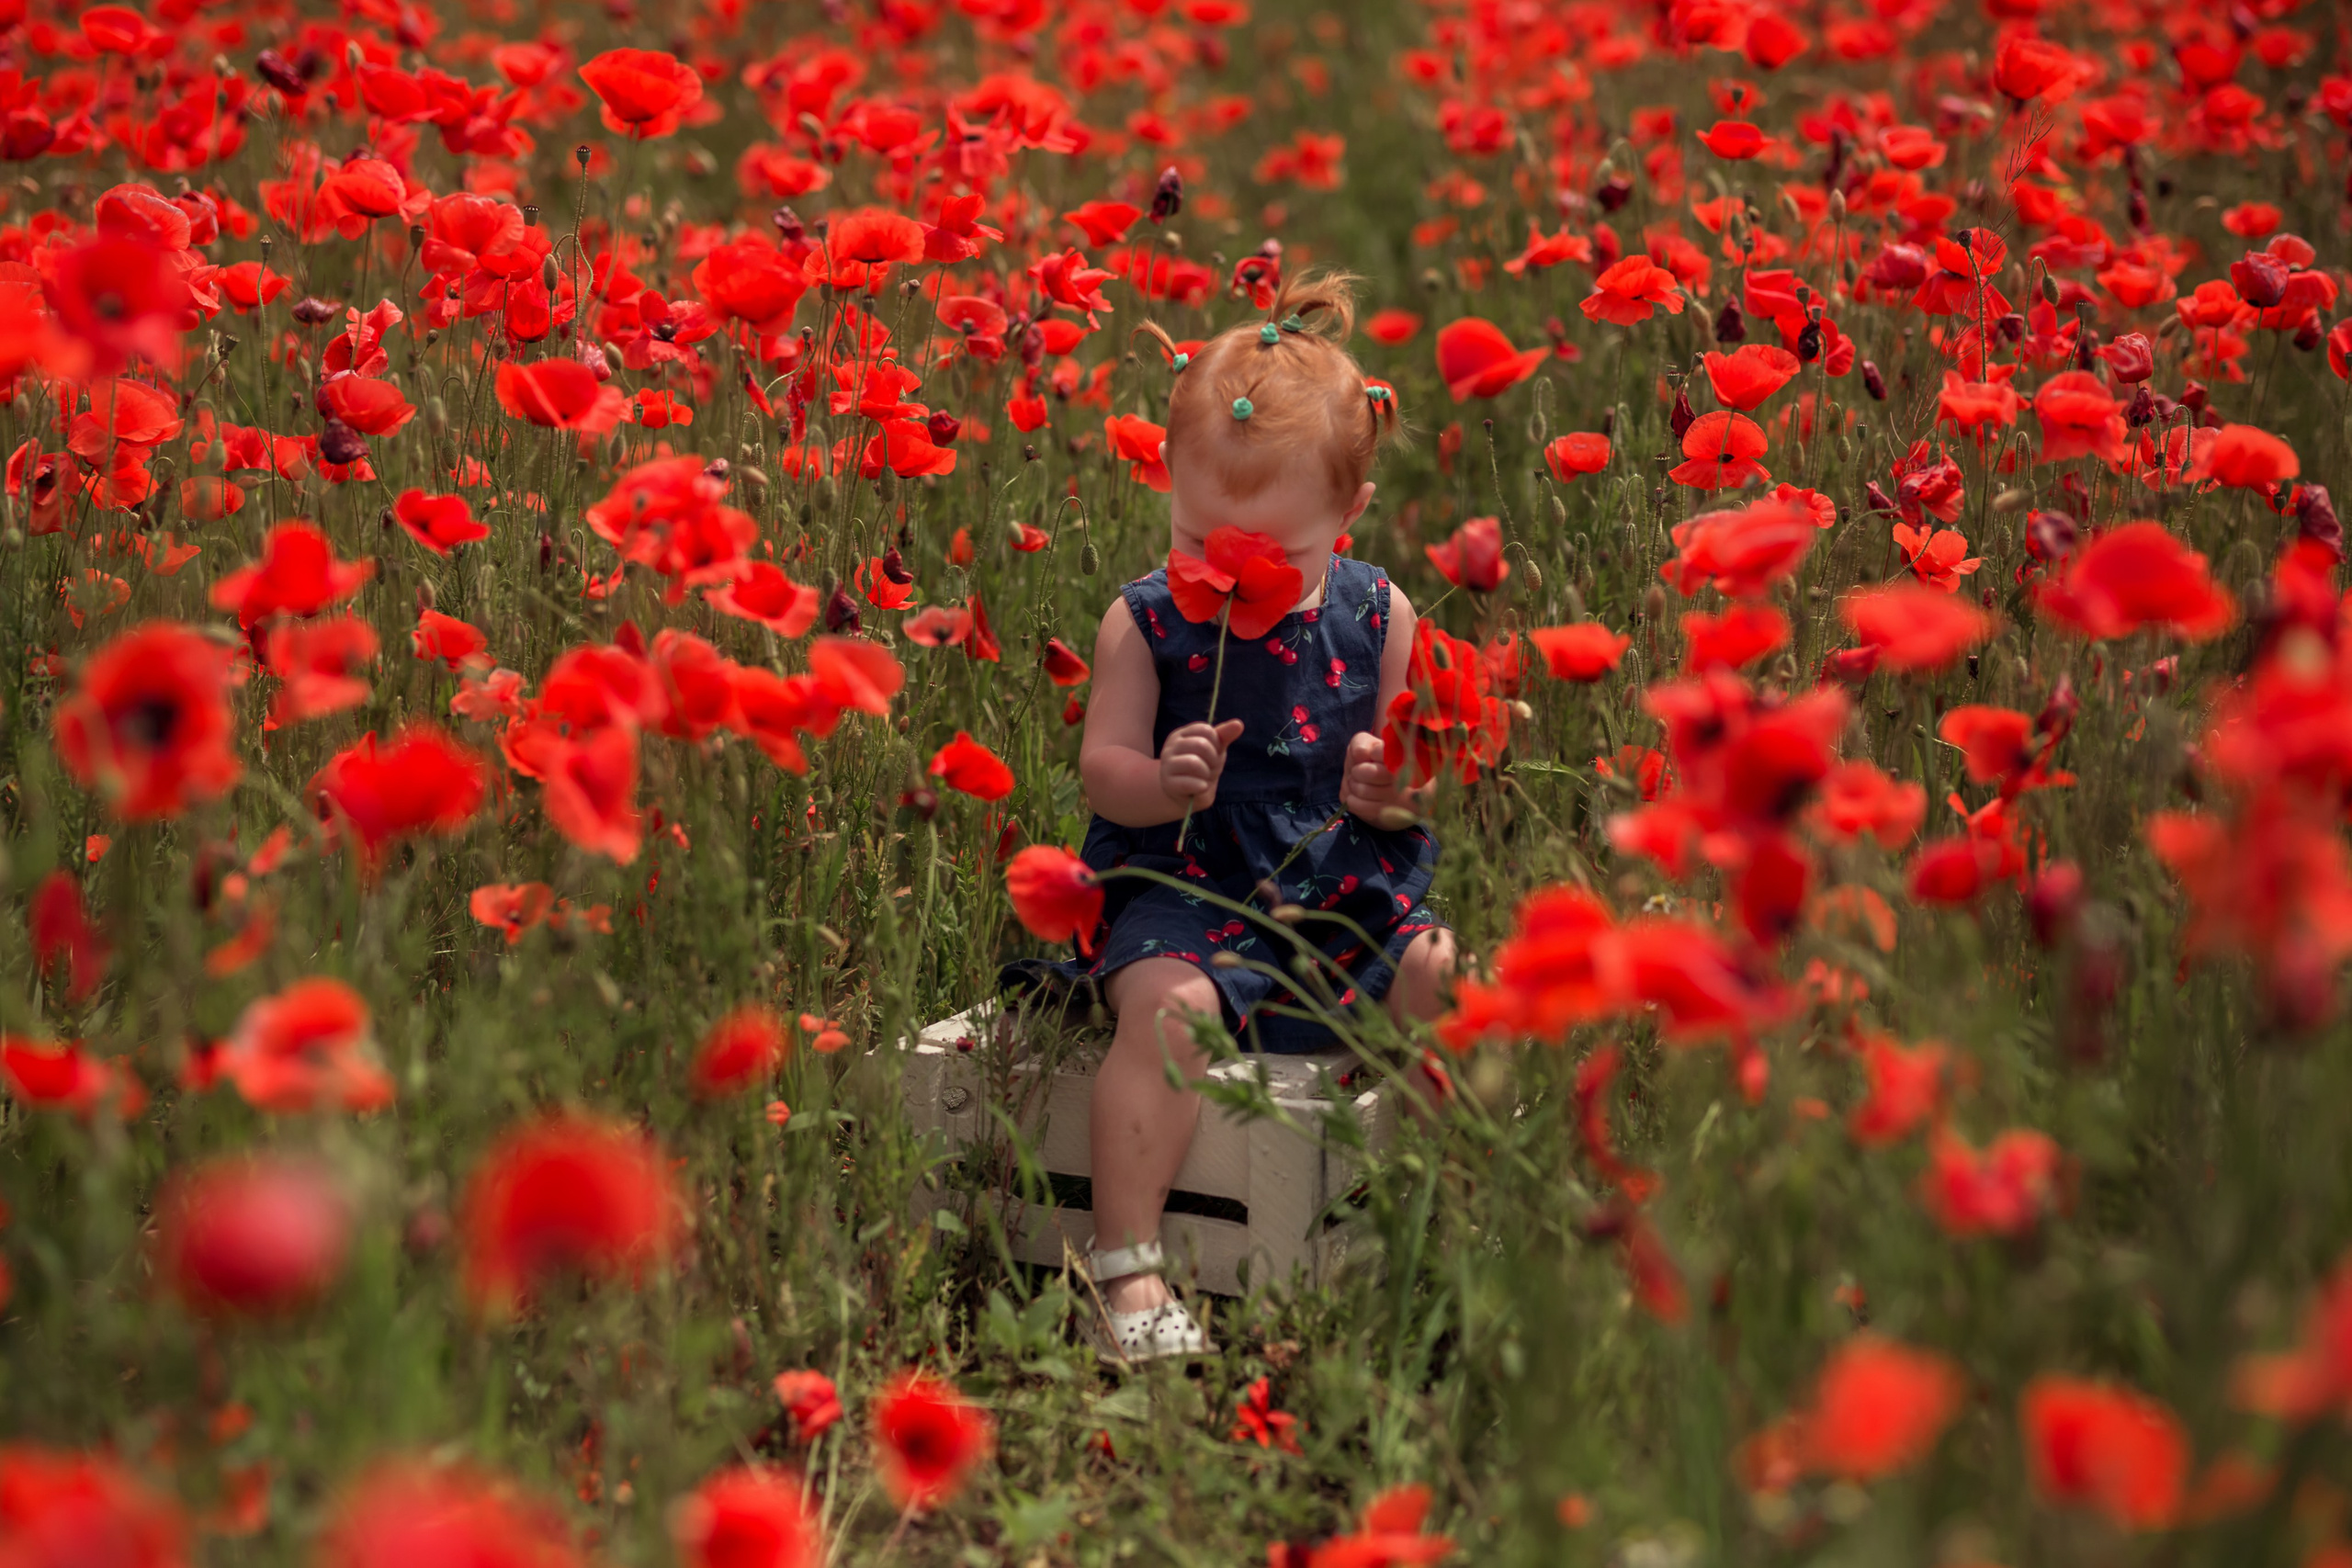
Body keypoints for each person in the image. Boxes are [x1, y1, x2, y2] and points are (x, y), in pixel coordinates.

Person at [1005, 271, 1456, 1362]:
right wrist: (1157, 782)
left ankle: (1433, 1207)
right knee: (1163, 1008)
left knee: (1444, 969)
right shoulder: (1143, 620)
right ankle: (1129, 1268)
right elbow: (1099, 768)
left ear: (1348, 517)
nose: (1232, 573)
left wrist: (1393, 790)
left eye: (1275, 556)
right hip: (1188, 887)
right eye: (1203, 540)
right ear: (1165, 480)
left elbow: (1430, 769)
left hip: (1338, 887)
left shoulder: (1381, 613)